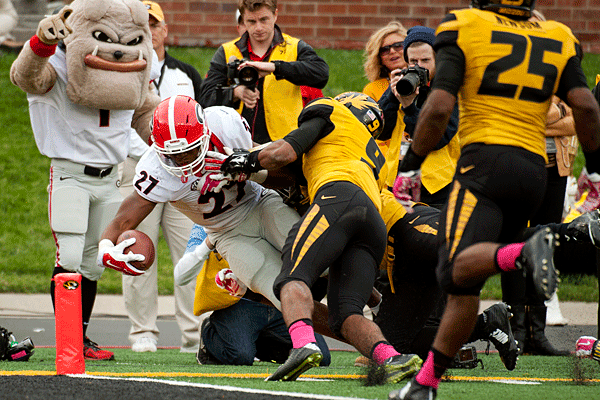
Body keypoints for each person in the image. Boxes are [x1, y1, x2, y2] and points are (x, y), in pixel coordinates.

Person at [391, 1, 600, 399]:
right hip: (534, 172)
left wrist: (411, 164)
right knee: (465, 285)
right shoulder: (555, 34)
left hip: (484, 166)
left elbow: (437, 107)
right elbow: (587, 105)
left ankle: (529, 248)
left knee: (452, 268)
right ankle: (425, 385)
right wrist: (595, 169)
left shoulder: (466, 25)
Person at [219, 92, 423, 383]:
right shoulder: (370, 150)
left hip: (337, 198)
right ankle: (389, 358)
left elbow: (283, 154)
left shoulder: (330, 111)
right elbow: (299, 178)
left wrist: (247, 160)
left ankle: (303, 344)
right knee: (346, 314)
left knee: (292, 276)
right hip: (371, 222)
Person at [10, 0, 158, 360]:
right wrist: (41, 43)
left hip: (110, 176)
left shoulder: (132, 64)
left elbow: (146, 112)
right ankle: (67, 338)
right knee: (72, 255)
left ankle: (81, 337)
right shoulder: (61, 61)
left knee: (95, 262)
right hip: (71, 174)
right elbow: (26, 76)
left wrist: (173, 141)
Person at [97, 95, 301, 317]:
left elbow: (287, 177)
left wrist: (249, 169)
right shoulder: (156, 171)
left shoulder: (225, 126)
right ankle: (309, 340)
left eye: (189, 150)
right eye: (173, 155)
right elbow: (123, 220)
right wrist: (105, 249)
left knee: (312, 254)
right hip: (227, 234)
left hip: (260, 204)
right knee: (278, 288)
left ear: (204, 134)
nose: (183, 160)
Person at [119, 0, 204, 354]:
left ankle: (195, 334)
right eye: (142, 25)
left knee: (191, 251)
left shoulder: (185, 74)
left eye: (154, 25)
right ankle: (143, 331)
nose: (149, 32)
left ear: (165, 30)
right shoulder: (119, 67)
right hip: (137, 167)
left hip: (184, 175)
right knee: (136, 250)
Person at [500, 8, 577, 357]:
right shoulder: (505, 67)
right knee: (515, 243)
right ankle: (514, 329)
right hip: (518, 167)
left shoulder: (559, 71)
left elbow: (576, 120)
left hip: (554, 169)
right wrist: (557, 111)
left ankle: (537, 332)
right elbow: (512, 113)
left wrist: (550, 114)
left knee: (548, 245)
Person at [175, 226, 331, 367]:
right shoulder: (208, 218)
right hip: (239, 302)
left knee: (320, 356)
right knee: (239, 356)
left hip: (277, 298)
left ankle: (255, 341)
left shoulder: (270, 204)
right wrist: (208, 243)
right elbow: (181, 276)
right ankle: (211, 332)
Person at [199, 0, 329, 144]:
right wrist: (235, 93)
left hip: (285, 144)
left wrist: (276, 67)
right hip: (237, 144)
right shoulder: (226, 51)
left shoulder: (295, 47)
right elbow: (204, 98)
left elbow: (321, 74)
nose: (258, 27)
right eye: (251, 21)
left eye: (263, 20)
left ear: (275, 15)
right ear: (242, 19)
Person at [381, 26, 460, 209]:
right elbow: (381, 131)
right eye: (413, 61)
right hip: (398, 180)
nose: (419, 67)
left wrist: (409, 107)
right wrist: (392, 96)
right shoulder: (403, 85)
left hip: (436, 187)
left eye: (425, 60)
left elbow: (435, 139)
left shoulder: (449, 92)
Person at [362, 21, 408, 185]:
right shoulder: (373, 89)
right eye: (385, 50)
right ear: (379, 58)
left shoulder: (429, 80)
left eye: (398, 45)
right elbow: (373, 136)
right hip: (388, 164)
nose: (392, 51)